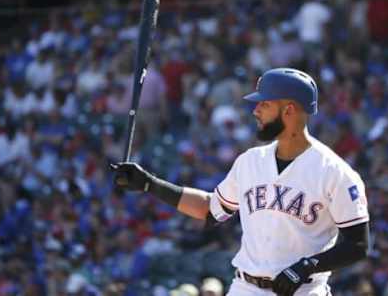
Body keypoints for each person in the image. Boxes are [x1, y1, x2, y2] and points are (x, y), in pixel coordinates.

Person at [111, 68, 370, 296]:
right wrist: (149, 183)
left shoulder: (335, 172)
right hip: (245, 288)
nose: (255, 111)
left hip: (302, 290)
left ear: (289, 110)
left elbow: (357, 245)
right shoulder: (250, 161)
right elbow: (211, 209)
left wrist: (307, 266)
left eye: (264, 105)